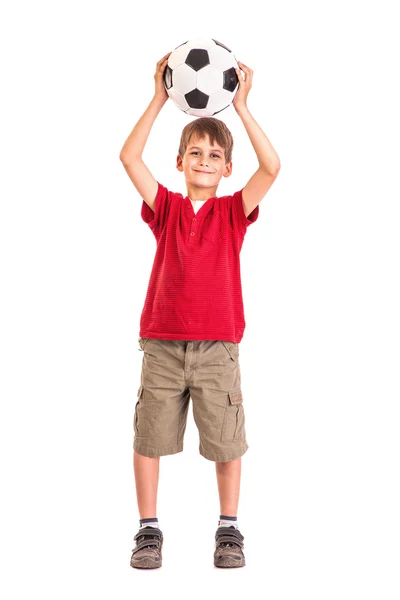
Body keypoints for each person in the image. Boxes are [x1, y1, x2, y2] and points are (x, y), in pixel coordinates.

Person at [119, 51, 280, 569]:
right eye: (195, 153)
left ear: (227, 168)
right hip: (163, 346)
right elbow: (128, 158)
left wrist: (245, 108)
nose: (205, 161)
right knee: (149, 436)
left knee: (226, 442)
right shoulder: (164, 207)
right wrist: (160, 97)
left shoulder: (234, 212)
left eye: (214, 155)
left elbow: (272, 167)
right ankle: (148, 529)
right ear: (180, 161)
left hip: (218, 349)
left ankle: (228, 529)